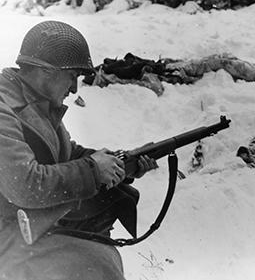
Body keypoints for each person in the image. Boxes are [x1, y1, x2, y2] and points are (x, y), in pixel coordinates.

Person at [0, 20, 158, 280]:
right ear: (45, 71)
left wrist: (119, 163)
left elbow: (66, 154)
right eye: (72, 76)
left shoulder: (35, 101)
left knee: (101, 243)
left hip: (26, 225)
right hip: (7, 235)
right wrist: (94, 170)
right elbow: (24, 184)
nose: (74, 89)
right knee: (94, 264)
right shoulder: (5, 107)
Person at [83, 52, 255, 96]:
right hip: (173, 72)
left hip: (170, 66)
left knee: (221, 56)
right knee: (220, 61)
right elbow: (154, 86)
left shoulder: (109, 69)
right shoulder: (111, 77)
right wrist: (146, 71)